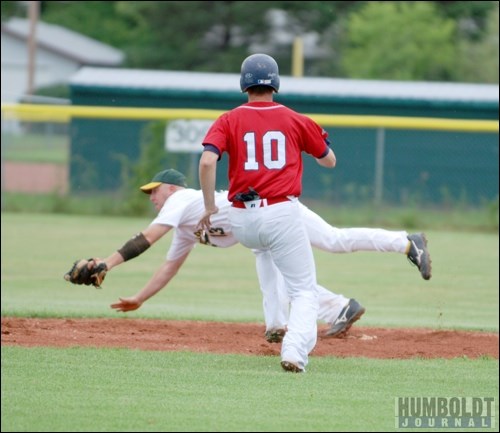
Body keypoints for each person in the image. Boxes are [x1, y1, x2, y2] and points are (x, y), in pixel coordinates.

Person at [106, 168, 431, 343]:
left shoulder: (182, 200)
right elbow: (169, 266)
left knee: (333, 240)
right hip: (263, 233)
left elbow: (148, 237)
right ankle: (325, 312)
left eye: (155, 191)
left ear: (172, 190)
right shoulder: (185, 228)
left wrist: (107, 264)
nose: (152, 198)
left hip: (275, 213)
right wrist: (140, 298)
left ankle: (405, 242)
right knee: (275, 264)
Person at [197, 53, 335, 373]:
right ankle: (294, 350)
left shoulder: (228, 119)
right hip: (279, 210)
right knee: (303, 291)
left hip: (241, 217)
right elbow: (329, 160)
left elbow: (207, 162)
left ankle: (275, 321)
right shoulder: (295, 119)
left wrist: (208, 207)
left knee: (263, 251)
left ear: (244, 84)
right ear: (275, 83)